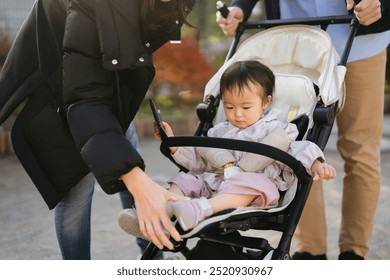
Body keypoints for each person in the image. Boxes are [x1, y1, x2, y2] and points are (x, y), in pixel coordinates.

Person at [0, 0, 196, 259]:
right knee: (76, 184)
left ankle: (152, 258)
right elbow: (84, 97)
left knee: (126, 148)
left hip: (106, 71)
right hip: (65, 71)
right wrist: (134, 178)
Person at [216, 0, 390, 260]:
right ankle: (310, 250)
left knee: (360, 150)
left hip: (361, 42)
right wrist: (240, 6)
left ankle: (354, 254)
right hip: (298, 46)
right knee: (296, 143)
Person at [118, 60, 336, 237]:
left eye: (246, 107)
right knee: (185, 179)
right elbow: (199, 160)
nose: (237, 114)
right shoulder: (220, 131)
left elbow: (298, 148)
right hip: (215, 183)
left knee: (250, 184)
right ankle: (157, 213)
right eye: (229, 107)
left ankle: (198, 209)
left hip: (251, 187)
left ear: (266, 102)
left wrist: (316, 162)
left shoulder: (275, 129)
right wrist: (173, 144)